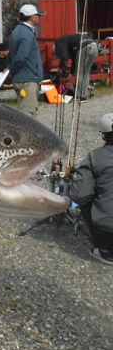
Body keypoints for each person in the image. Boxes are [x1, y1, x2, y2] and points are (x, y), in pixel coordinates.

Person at [69, 112, 113, 265]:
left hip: (108, 232)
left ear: (103, 136)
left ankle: (105, 251)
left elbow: (79, 195)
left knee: (85, 196)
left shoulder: (96, 156)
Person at [7, 4, 46, 116]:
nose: (39, 17)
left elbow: (11, 53)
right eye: (38, 15)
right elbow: (21, 57)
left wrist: (10, 67)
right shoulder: (26, 33)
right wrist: (12, 70)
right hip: (27, 80)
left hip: (23, 79)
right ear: (32, 17)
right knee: (28, 113)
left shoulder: (17, 31)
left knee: (27, 110)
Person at [53, 33, 101, 101]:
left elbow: (64, 57)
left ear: (56, 49)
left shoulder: (59, 42)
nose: (59, 53)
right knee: (86, 72)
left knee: (80, 73)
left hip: (85, 47)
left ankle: (78, 96)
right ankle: (83, 95)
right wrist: (70, 74)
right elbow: (75, 59)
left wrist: (60, 68)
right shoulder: (70, 43)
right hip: (94, 47)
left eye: (58, 52)